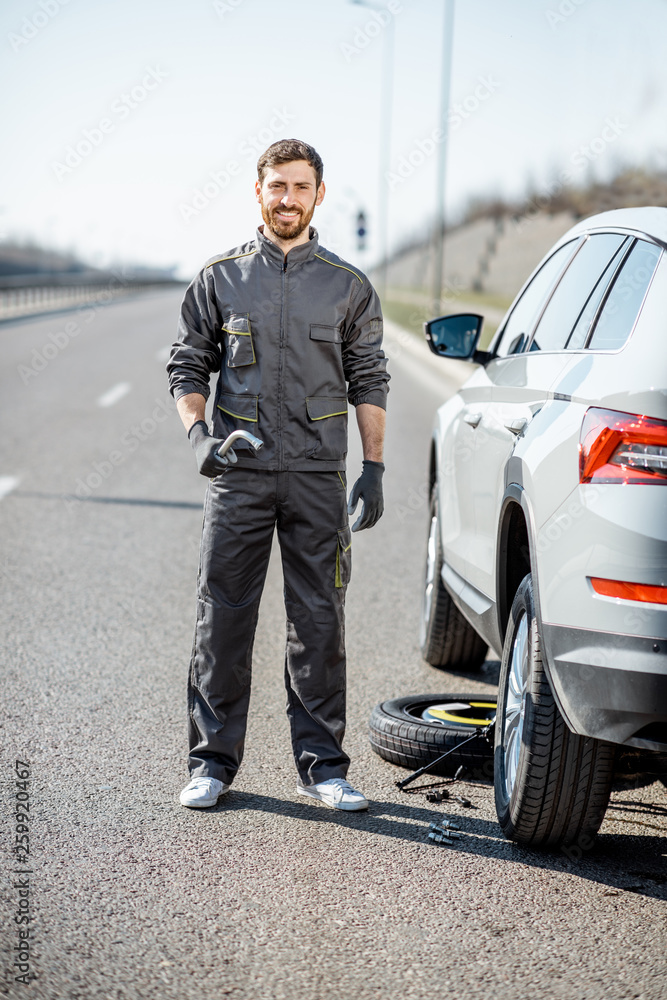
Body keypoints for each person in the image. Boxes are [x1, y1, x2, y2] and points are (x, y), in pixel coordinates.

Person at [167, 138, 389, 812]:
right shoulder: (219, 278)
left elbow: (369, 379)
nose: (287, 198)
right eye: (276, 187)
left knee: (318, 622)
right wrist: (199, 434)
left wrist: (373, 467)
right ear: (257, 193)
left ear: (319, 194)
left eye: (299, 187)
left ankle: (324, 769)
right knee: (223, 620)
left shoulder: (348, 286)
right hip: (239, 475)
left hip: (319, 475)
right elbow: (187, 365)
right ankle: (210, 764)